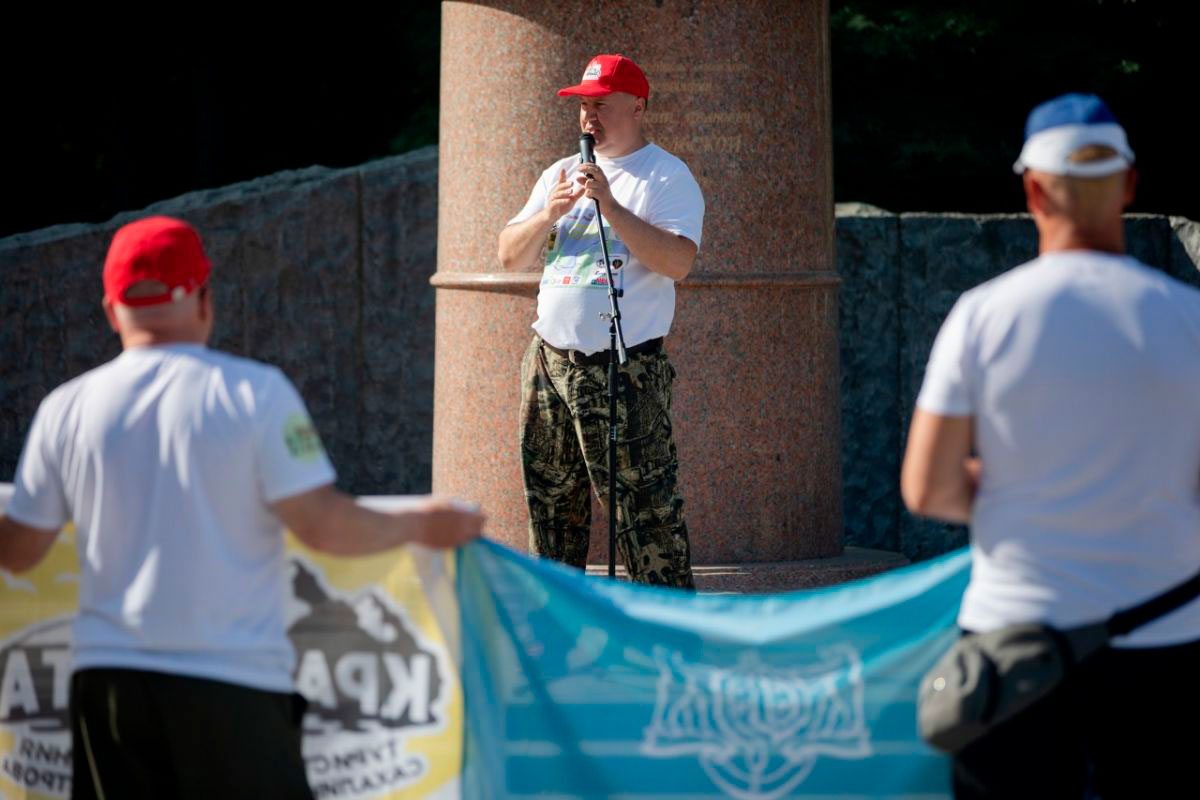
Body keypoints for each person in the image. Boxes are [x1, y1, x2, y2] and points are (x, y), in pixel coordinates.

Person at [0, 216, 486, 800]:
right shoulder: (254, 393)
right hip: (232, 681)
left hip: (109, 687)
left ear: (110, 310)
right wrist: (428, 524)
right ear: (205, 299)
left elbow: (19, 550)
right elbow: (323, 526)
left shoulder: (65, 408)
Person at [901, 94, 1200, 798]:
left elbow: (928, 488)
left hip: (1016, 646)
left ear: (1034, 191)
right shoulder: (1189, 318)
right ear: (1128, 185)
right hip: (1167, 637)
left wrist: (1020, 487)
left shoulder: (983, 316)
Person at [497, 53, 704, 589]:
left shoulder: (665, 175)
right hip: (550, 364)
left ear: (637, 107)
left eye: (601, 105)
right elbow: (509, 255)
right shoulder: (558, 174)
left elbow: (677, 262)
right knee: (551, 508)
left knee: (646, 514)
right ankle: (557, 624)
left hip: (623, 369)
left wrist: (609, 205)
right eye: (583, 105)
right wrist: (550, 213)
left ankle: (666, 627)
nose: (589, 116)